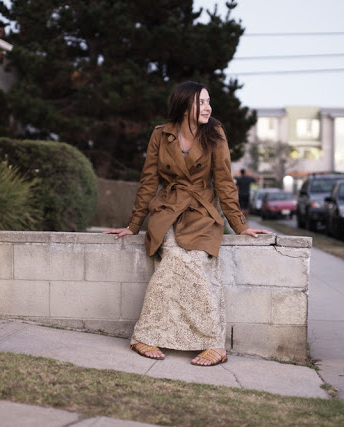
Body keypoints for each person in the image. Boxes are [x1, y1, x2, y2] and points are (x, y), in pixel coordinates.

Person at [104, 81, 271, 366]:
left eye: (208, 102)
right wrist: (133, 226)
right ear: (185, 107)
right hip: (168, 209)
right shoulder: (161, 134)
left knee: (193, 262)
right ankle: (149, 336)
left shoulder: (215, 133)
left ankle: (211, 343)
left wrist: (240, 226)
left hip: (202, 212)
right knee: (172, 258)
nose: (208, 108)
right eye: (201, 103)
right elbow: (148, 182)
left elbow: (224, 182)